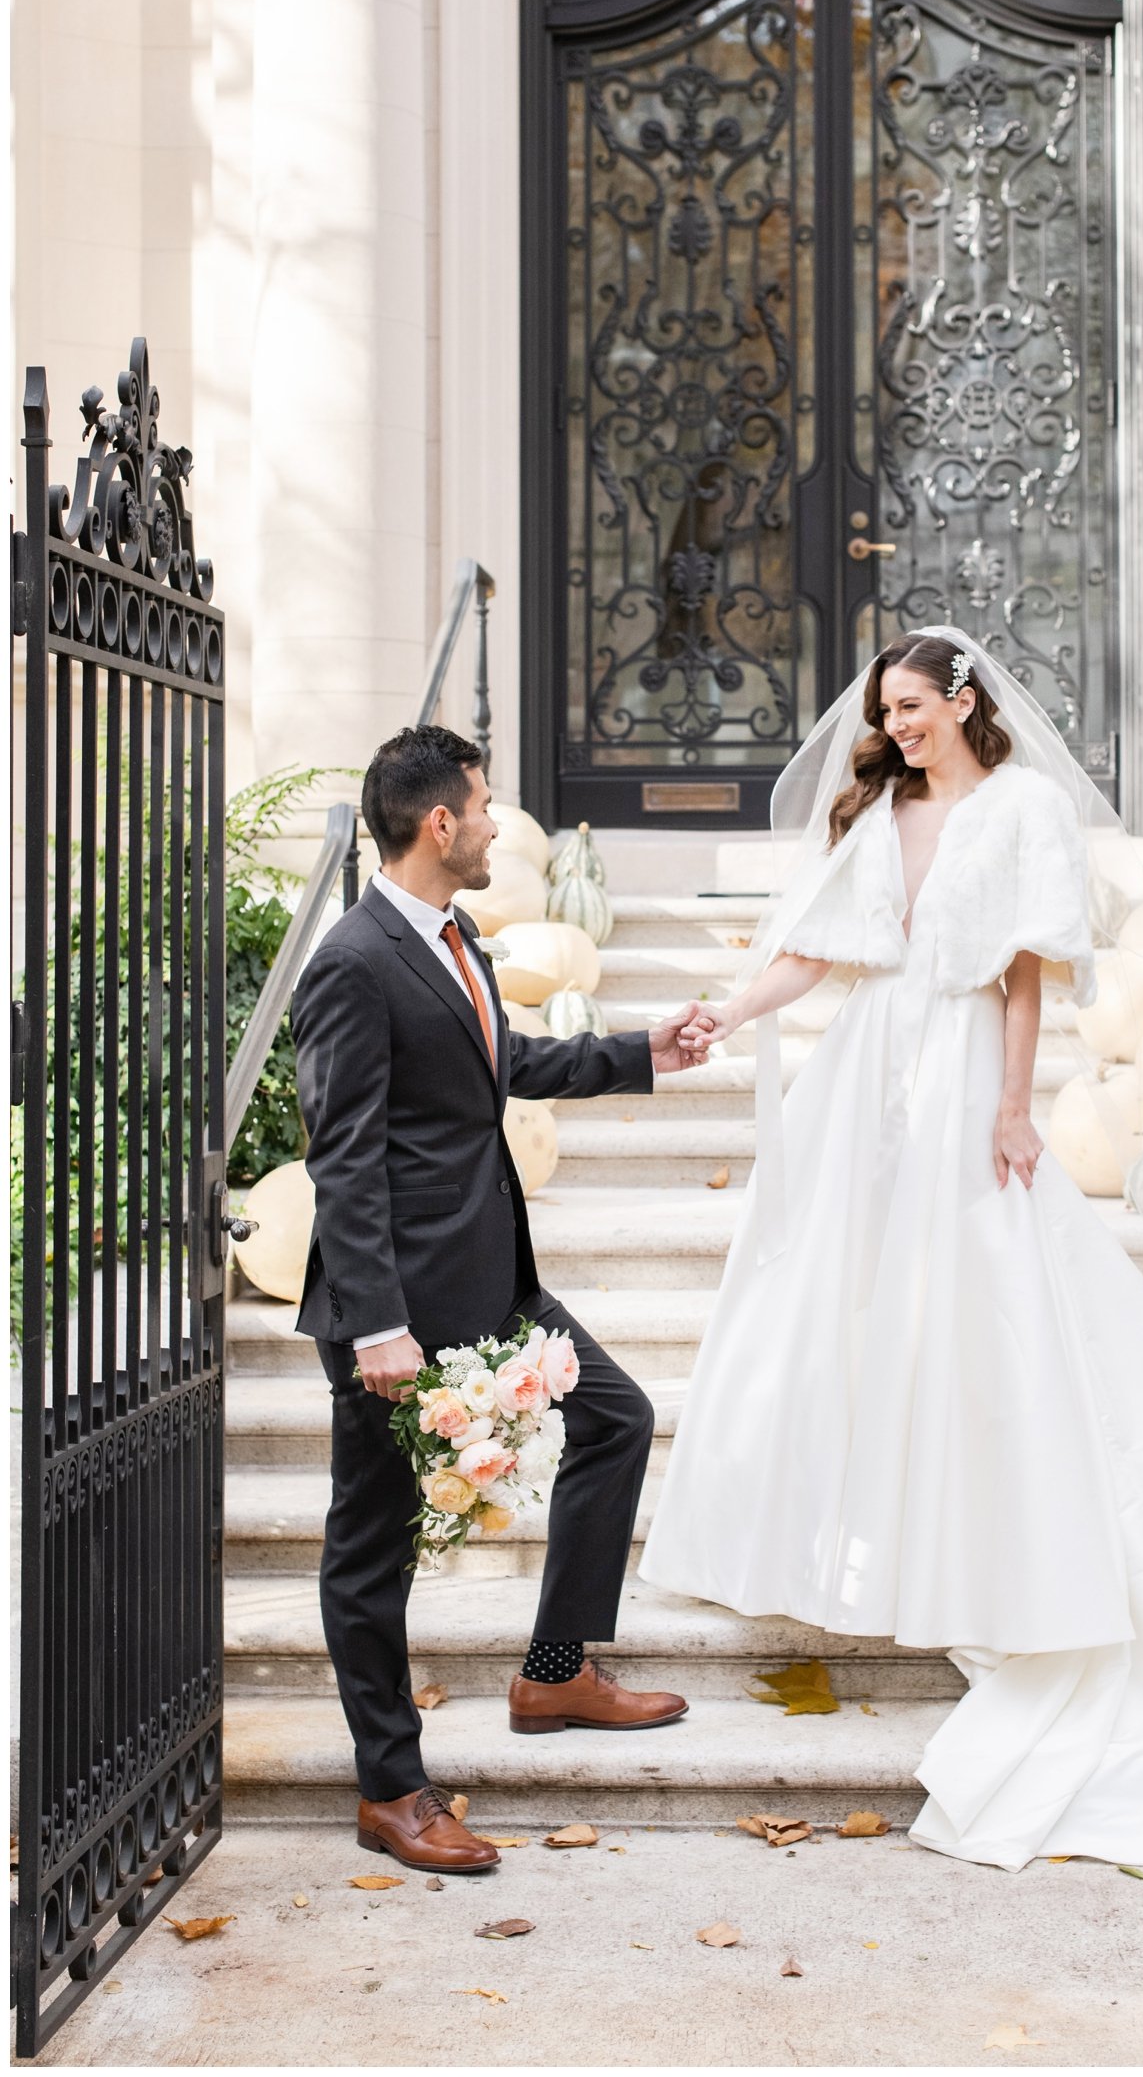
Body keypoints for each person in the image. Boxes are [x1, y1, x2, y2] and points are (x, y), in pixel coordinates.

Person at [639, 628, 1143, 1870]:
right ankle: (850, 1535)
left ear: (963, 698)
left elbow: (1019, 978)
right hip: (866, 1080)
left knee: (986, 1306)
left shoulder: (1026, 810)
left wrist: (1014, 1107)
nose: (896, 724)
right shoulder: (881, 809)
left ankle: (995, 1547)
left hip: (958, 1077)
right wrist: (722, 1012)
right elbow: (811, 947)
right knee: (839, 1307)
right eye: (884, 709)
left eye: (912, 704)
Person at [291, 725, 707, 1873]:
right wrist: (376, 1322)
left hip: (489, 1276)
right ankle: (394, 1787)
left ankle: (556, 1670)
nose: (492, 822)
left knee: (616, 1416)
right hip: (398, 1316)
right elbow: (345, 1156)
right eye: (482, 806)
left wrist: (643, 1053)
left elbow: (498, 1063)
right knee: (373, 1550)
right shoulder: (353, 960)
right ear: (439, 825)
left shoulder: (452, 930)